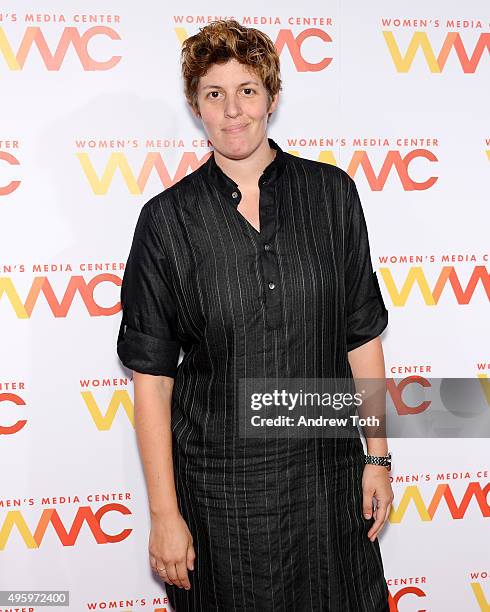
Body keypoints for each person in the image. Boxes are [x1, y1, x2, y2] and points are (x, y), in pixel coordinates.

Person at [117, 18, 394, 612]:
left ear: (271, 96)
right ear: (196, 105)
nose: (232, 110)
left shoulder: (331, 194)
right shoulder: (167, 221)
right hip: (219, 499)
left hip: (326, 484)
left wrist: (377, 457)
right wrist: (165, 514)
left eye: (247, 89)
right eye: (214, 93)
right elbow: (153, 379)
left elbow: (361, 337)